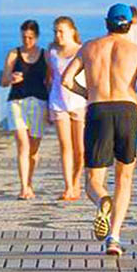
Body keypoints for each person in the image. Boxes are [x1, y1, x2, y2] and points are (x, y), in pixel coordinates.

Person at [62, 3, 137, 256]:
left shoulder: (89, 47)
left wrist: (88, 93)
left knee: (94, 181)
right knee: (124, 178)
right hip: (127, 111)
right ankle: (114, 238)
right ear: (129, 25)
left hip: (98, 111)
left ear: (106, 22)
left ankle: (102, 201)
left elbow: (66, 80)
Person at [0, 20, 48, 200]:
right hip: (17, 102)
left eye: (30, 37)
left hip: (38, 103)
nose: (27, 41)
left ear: (36, 37)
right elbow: (3, 81)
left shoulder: (45, 55)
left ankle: (30, 182)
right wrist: (11, 78)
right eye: (24, 37)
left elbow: (50, 81)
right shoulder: (14, 54)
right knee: (23, 144)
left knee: (33, 150)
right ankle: (23, 187)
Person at [47, 16, 87, 202]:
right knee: (65, 146)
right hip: (58, 101)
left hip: (78, 102)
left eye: (61, 31)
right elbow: (50, 77)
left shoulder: (82, 50)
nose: (58, 34)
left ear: (72, 31)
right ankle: (68, 186)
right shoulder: (52, 51)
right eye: (55, 31)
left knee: (80, 148)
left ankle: (76, 180)